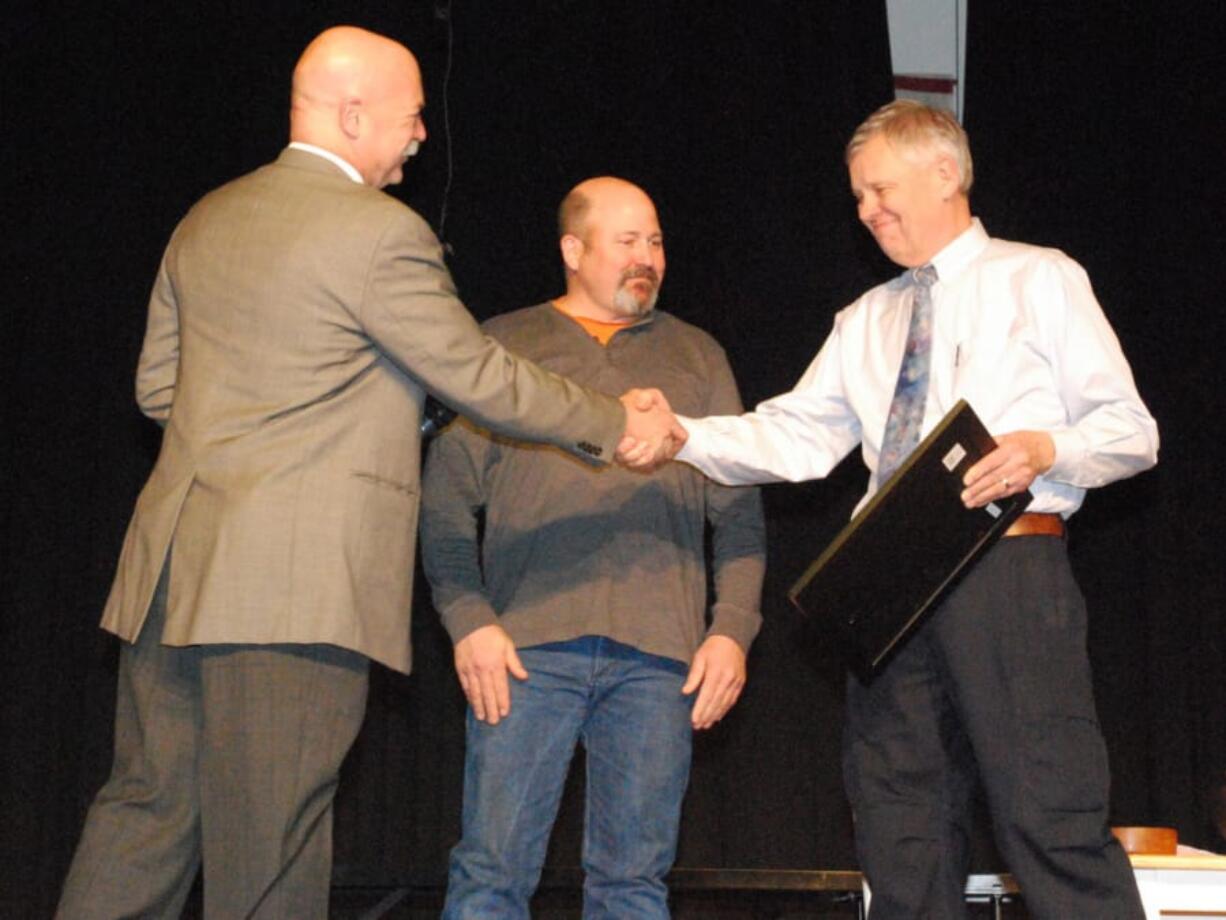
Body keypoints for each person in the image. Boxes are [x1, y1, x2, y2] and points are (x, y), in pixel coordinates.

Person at [55, 27, 682, 920]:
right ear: (354, 115)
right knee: (270, 845)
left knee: (144, 816)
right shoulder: (380, 233)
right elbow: (478, 374)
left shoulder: (209, 215)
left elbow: (159, 387)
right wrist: (614, 421)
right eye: (412, 114)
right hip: (294, 588)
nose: (422, 135)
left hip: (170, 573)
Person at [674, 100, 1158, 919]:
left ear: (946, 173)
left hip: (1005, 565)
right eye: (857, 197)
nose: (866, 211)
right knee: (901, 831)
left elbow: (1132, 431)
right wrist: (679, 436)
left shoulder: (1039, 277)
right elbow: (794, 437)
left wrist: (1045, 448)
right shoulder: (865, 319)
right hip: (886, 586)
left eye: (878, 188)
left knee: (1046, 813)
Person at [420, 176, 766, 918]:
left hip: (659, 662)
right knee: (491, 874)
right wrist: (468, 619)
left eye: (657, 241)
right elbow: (444, 506)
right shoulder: (502, 345)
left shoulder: (697, 356)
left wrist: (731, 632)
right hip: (525, 651)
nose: (648, 257)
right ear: (573, 250)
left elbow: (738, 516)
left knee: (633, 885)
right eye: (628, 241)